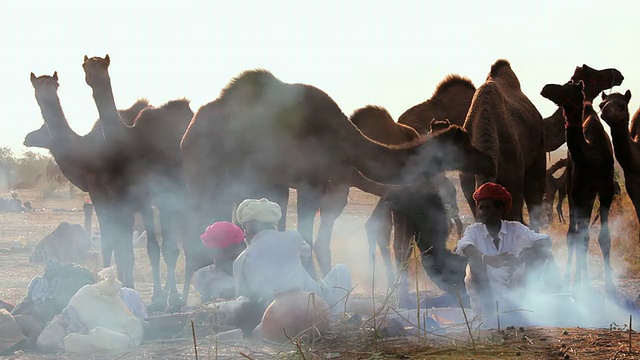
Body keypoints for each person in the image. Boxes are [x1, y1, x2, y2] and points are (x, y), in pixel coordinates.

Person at [455, 182, 561, 318]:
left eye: (487, 208)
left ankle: (526, 301)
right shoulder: (474, 231)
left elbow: (545, 241)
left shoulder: (515, 228)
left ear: (500, 210)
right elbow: (463, 247)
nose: (482, 212)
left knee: (540, 253)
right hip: (485, 302)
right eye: (480, 208)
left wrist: (521, 260)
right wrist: (487, 259)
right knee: (476, 262)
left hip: (515, 295)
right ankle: (489, 311)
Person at [232, 198, 352, 315]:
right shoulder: (293, 237)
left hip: (273, 314)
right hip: (314, 303)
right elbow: (306, 254)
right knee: (341, 269)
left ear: (247, 230)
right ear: (274, 225)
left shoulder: (241, 260)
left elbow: (241, 297)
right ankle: (337, 316)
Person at [194, 221, 247, 302]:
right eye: (212, 251)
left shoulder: (251, 272)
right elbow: (204, 306)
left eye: (225, 251)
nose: (215, 257)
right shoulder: (203, 276)